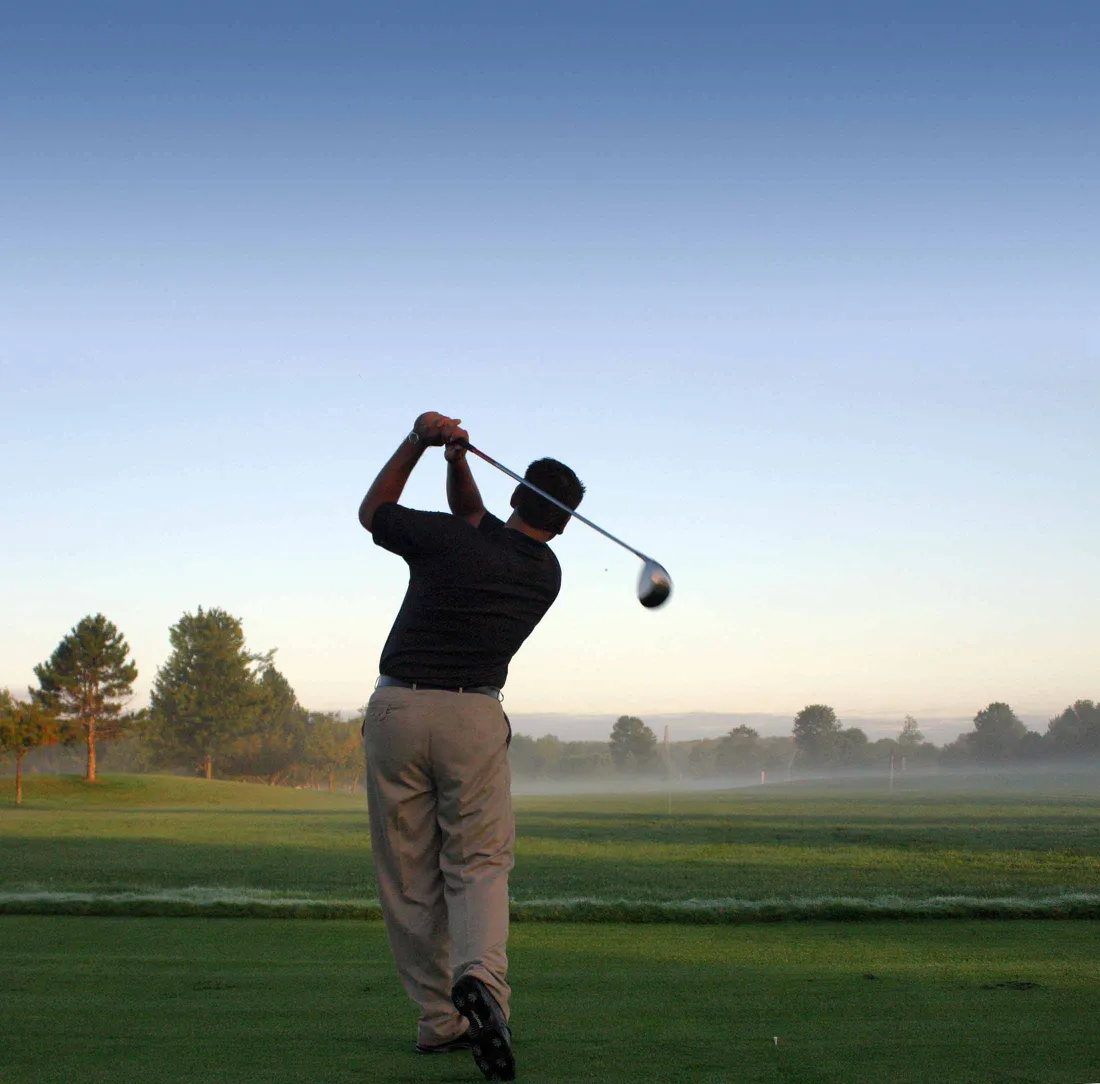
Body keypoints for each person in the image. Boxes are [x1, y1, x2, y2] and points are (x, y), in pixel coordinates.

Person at [357, 411, 585, 1082]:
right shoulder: (546, 571)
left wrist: (419, 442)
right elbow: (477, 525)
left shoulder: (450, 540)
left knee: (409, 876)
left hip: (399, 708)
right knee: (479, 864)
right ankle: (483, 982)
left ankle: (439, 1021)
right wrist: (458, 465)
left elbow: (376, 511)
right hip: (476, 718)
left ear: (515, 495)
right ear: (565, 521)